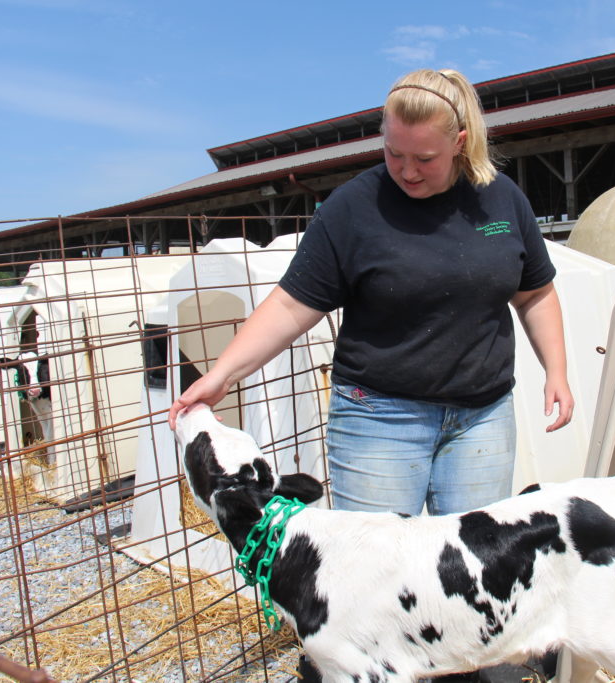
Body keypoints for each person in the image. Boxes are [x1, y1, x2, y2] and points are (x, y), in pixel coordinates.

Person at [169, 66, 573, 682]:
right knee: (369, 590)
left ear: (462, 142)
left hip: (481, 418)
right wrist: (223, 373)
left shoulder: (501, 201)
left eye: (424, 158)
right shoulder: (355, 207)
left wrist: (558, 371)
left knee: (473, 580)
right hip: (380, 418)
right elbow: (290, 304)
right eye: (392, 152)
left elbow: (536, 293)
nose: (406, 170)